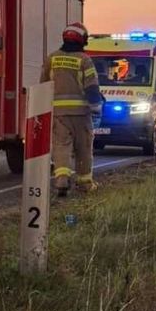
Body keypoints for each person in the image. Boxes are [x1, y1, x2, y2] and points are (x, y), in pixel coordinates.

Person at [42, 22, 104, 195]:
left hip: (59, 115)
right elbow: (92, 86)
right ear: (82, 40)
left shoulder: (52, 58)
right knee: (83, 148)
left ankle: (61, 181)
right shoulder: (84, 60)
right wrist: (96, 107)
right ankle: (85, 184)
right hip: (82, 114)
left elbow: (44, 84)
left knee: (61, 147)